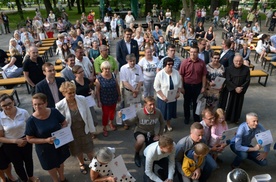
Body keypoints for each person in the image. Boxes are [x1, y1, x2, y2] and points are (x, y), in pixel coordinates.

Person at [25, 93, 70, 182]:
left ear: (45, 103)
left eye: (40, 104)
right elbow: (29, 139)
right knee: (50, 166)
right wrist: (45, 140)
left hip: (58, 144)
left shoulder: (54, 112)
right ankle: (55, 180)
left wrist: (62, 132)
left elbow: (64, 123)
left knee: (60, 162)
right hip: (44, 149)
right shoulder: (31, 121)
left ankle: (62, 178)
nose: (37, 106)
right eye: (35, 104)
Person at [56, 81, 95, 175]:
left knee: (89, 149)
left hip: (84, 129)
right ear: (64, 93)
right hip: (71, 132)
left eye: (74, 92)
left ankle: (94, 165)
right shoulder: (59, 106)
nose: (73, 94)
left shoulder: (82, 99)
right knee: (77, 150)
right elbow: (60, 122)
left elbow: (88, 116)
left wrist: (92, 129)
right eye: (70, 93)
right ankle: (81, 163)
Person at [0, 94, 39, 182]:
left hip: (26, 140)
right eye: (4, 105)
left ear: (13, 101)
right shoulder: (0, 118)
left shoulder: (23, 112)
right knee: (17, 164)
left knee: (29, 160)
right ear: (1, 106)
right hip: (10, 144)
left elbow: (31, 127)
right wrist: (15, 141)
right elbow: (0, 137)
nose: (8, 107)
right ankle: (24, 179)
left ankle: (31, 176)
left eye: (9, 103)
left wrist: (27, 138)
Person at [121, 97, 165, 168]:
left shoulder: (158, 112)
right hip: (140, 131)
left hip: (151, 133)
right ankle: (137, 154)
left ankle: (150, 160)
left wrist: (159, 134)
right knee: (141, 140)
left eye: (154, 104)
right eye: (150, 105)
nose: (153, 106)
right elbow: (130, 122)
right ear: (145, 105)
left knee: (153, 148)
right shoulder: (139, 112)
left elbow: (162, 123)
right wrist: (123, 118)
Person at [179, 46, 207, 124]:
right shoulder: (184, 62)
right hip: (187, 86)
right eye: (191, 52)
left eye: (194, 52)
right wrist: (181, 87)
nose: (193, 54)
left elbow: (204, 75)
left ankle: (196, 118)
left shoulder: (202, 63)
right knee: (186, 103)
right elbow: (181, 75)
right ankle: (187, 117)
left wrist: (203, 87)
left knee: (197, 103)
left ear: (198, 53)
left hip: (197, 86)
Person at [154, 57, 182, 131]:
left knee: (169, 112)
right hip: (162, 97)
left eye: (172, 64)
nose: (170, 66)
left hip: (173, 97)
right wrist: (162, 96)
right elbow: (156, 87)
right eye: (169, 64)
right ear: (164, 65)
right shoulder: (160, 74)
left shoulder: (176, 73)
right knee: (163, 112)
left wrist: (178, 93)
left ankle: (168, 124)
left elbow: (179, 84)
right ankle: (162, 125)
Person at [219, 55, 250, 123]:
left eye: (240, 61)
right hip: (231, 91)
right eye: (236, 61)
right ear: (233, 61)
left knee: (238, 105)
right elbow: (228, 80)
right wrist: (235, 87)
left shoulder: (246, 69)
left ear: (242, 61)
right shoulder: (229, 69)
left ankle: (236, 118)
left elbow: (247, 80)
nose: (238, 63)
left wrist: (241, 87)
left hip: (240, 91)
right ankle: (227, 117)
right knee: (229, 105)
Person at [95, 61, 120, 137]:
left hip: (113, 97)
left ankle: (111, 122)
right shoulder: (99, 79)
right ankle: (104, 127)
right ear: (102, 69)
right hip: (104, 99)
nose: (107, 70)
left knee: (112, 112)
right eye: (105, 69)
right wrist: (99, 101)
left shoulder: (113, 75)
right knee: (105, 114)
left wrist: (119, 95)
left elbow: (117, 86)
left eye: (108, 69)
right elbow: (97, 91)